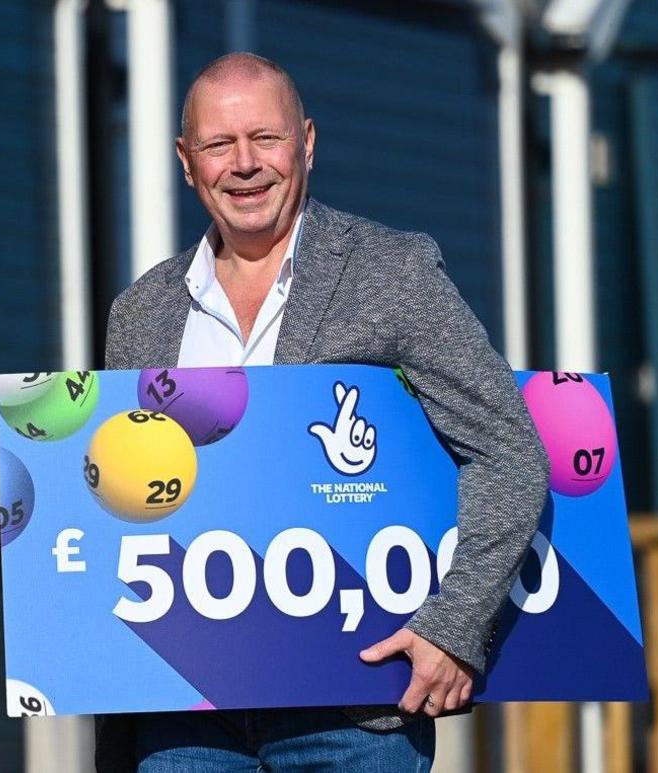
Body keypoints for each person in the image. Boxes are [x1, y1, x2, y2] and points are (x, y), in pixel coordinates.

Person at [98, 52, 550, 772]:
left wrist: (455, 625)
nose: (244, 164)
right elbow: (116, 502)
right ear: (187, 163)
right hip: (183, 717)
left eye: (266, 139)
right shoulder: (140, 313)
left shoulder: (391, 271)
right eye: (219, 145)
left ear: (306, 142)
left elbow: (509, 449)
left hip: (354, 710)